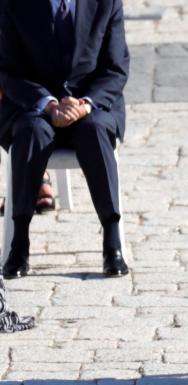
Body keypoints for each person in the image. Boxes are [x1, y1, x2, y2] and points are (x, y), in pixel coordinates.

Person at [0, 0, 130, 279]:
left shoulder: (106, 3)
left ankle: (112, 240)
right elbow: (9, 72)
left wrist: (84, 104)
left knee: (94, 131)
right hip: (35, 106)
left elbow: (115, 68)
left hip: (91, 105)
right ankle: (19, 243)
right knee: (30, 133)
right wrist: (48, 104)